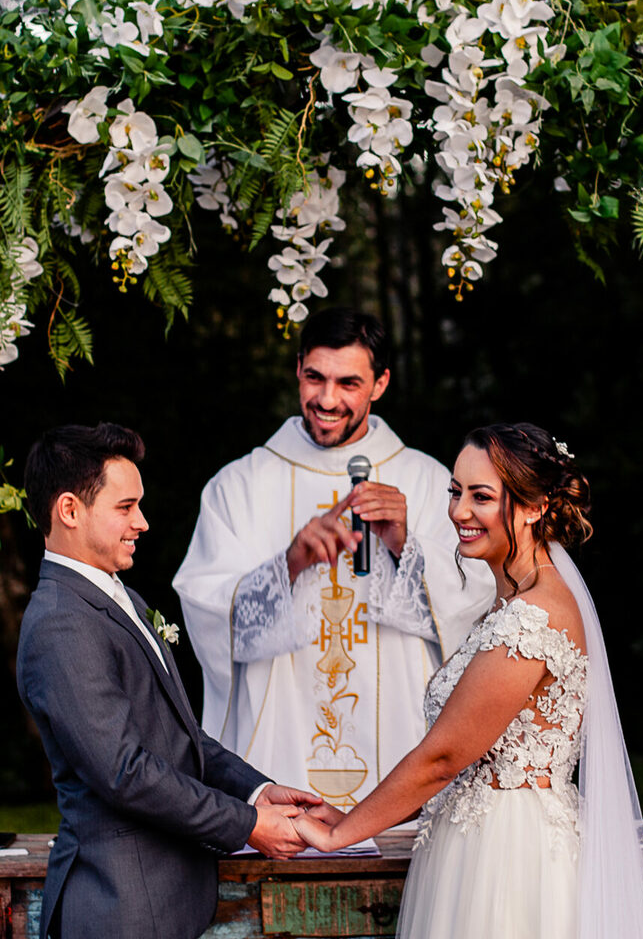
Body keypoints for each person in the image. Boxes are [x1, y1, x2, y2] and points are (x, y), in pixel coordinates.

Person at [291, 423, 643, 939]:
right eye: (455, 491)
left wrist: (340, 834)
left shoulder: (531, 617)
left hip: (509, 862)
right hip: (477, 842)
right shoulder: (509, 603)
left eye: (482, 497)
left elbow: (444, 757)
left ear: (536, 506)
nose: (459, 511)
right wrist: (352, 821)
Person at [16, 423, 329, 939]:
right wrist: (247, 827)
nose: (142, 522)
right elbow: (123, 773)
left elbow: (180, 734)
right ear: (69, 510)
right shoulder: (60, 622)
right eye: (125, 507)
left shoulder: (120, 597)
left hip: (161, 898)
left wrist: (257, 792)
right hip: (121, 907)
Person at [173, 308, 494, 806]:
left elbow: (476, 601)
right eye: (315, 378)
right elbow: (208, 610)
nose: (326, 399)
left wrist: (406, 546)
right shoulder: (239, 485)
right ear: (297, 368)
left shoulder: (429, 481)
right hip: (280, 741)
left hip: (400, 737)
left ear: (380, 383)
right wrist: (288, 565)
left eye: (348, 383)